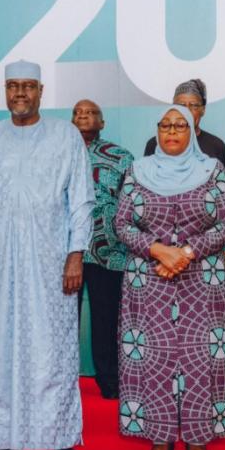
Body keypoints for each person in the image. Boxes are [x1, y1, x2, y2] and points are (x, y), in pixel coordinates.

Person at [0, 60, 94, 450]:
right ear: (5, 92)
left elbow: (82, 200)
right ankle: (6, 439)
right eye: (13, 86)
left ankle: (60, 437)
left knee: (54, 350)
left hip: (53, 263)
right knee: (1, 351)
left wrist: (76, 253)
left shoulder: (65, 136)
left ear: (40, 91)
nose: (20, 93)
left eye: (28, 86)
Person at [115, 104, 225, 450]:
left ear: (192, 131)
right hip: (148, 279)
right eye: (165, 125)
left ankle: (198, 439)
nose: (171, 131)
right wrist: (158, 250)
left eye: (180, 125)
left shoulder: (211, 170)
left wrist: (185, 253)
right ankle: (160, 437)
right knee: (153, 358)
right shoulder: (138, 171)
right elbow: (122, 223)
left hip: (201, 279)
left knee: (202, 358)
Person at [72, 98, 133, 399]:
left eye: (91, 112)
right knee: (63, 320)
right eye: (78, 113)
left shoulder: (121, 157)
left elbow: (133, 202)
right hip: (65, 252)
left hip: (109, 251)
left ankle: (109, 381)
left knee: (106, 319)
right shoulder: (56, 154)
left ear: (102, 122)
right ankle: (62, 382)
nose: (83, 116)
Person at [142, 78, 225, 175]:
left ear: (203, 110)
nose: (187, 111)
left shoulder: (216, 146)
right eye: (181, 105)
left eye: (193, 105)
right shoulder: (155, 144)